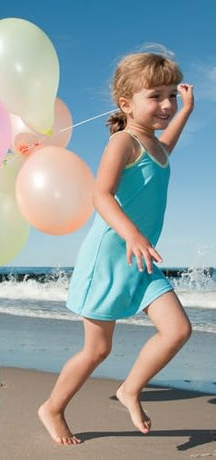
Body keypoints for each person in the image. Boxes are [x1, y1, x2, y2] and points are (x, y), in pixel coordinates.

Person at [38, 50, 194, 445]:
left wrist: (187, 111)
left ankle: (130, 389)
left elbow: (166, 146)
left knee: (177, 330)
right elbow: (101, 195)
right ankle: (52, 408)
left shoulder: (157, 147)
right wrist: (133, 234)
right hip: (110, 257)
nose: (166, 105)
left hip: (140, 259)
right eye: (155, 96)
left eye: (171, 96)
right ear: (126, 104)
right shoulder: (123, 142)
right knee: (97, 350)